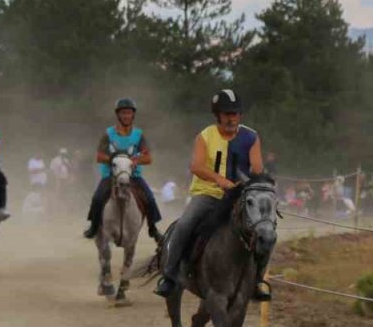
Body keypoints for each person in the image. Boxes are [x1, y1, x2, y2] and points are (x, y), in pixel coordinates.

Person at [155, 89, 269, 301]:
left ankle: (258, 280)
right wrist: (220, 180)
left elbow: (256, 167)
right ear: (217, 115)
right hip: (207, 194)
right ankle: (169, 275)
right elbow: (196, 166)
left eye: (235, 113)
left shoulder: (251, 137)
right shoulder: (205, 136)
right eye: (226, 114)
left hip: (241, 197)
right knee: (184, 225)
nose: (231, 118)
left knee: (267, 231)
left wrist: (254, 176)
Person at [83, 98, 163, 241]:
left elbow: (148, 158)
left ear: (133, 115)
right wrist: (115, 160)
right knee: (97, 198)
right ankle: (94, 227)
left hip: (133, 176)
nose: (126, 116)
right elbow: (99, 156)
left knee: (150, 198)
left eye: (129, 113)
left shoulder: (139, 135)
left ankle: (153, 228)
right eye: (123, 113)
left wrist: (135, 160)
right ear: (118, 115)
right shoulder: (108, 133)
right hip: (111, 175)